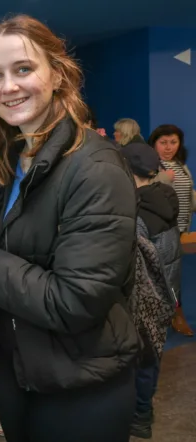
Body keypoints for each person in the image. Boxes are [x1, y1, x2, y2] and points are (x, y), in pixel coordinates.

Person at [0, 15, 140, 442]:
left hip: (80, 390)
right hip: (19, 377)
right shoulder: (12, 162)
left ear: (58, 74)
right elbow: (3, 270)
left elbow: (74, 301)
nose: (9, 87)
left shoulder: (95, 168)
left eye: (23, 69)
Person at [121, 142, 180, 439]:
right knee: (151, 356)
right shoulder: (166, 198)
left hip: (143, 301)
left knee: (139, 359)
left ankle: (140, 415)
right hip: (168, 293)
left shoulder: (135, 214)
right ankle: (144, 411)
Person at [149, 124, 194, 336]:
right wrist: (164, 177)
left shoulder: (180, 165)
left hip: (180, 227)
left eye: (173, 142)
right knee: (167, 275)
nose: (169, 147)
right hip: (161, 229)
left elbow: (187, 194)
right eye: (163, 142)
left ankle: (170, 313)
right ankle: (175, 314)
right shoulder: (151, 165)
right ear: (154, 144)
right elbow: (145, 192)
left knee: (171, 273)